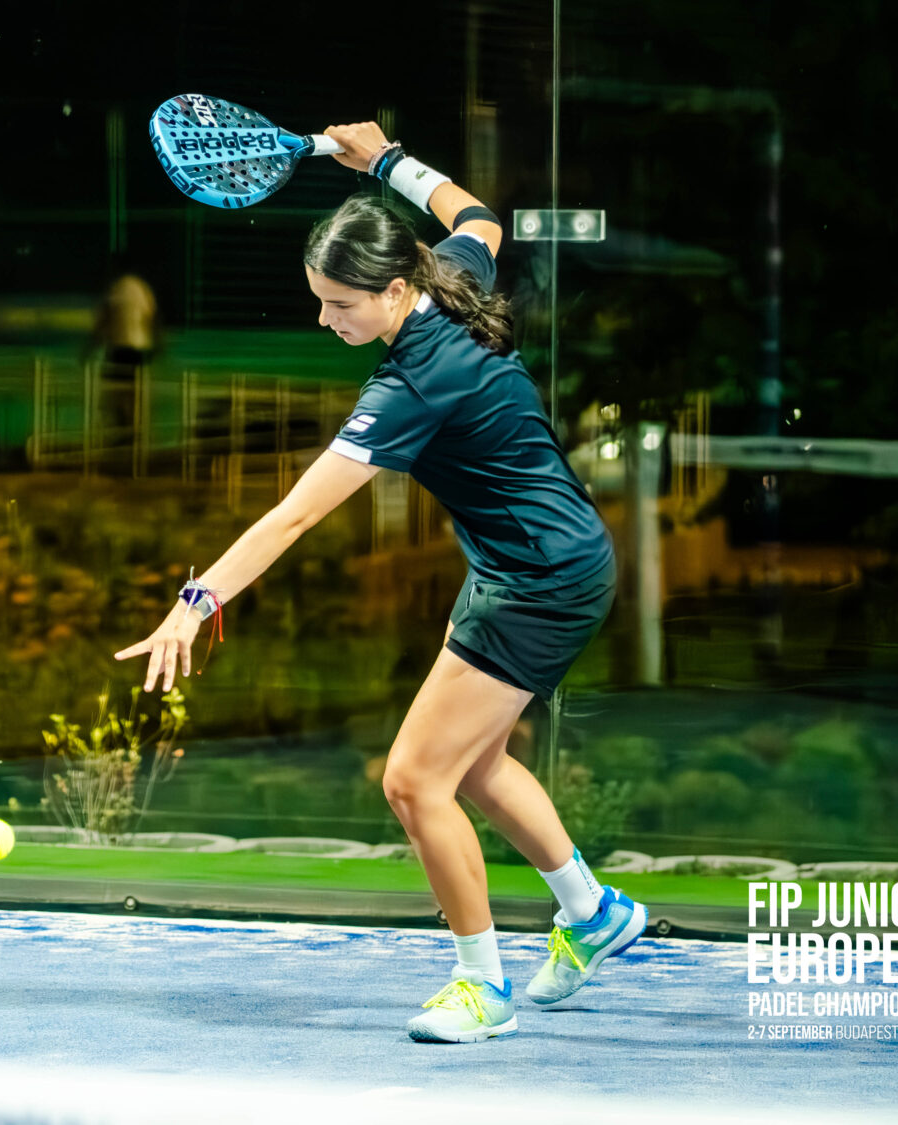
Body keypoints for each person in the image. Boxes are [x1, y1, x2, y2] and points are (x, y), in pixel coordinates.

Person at [114, 122, 644, 1044]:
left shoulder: (409, 384)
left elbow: (293, 515)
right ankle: (591, 911)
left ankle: (482, 985)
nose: (328, 321)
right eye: (320, 301)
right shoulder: (451, 276)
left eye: (340, 304)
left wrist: (193, 604)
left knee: (411, 779)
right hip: (534, 562)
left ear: (395, 289)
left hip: (540, 579)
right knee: (471, 763)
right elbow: (478, 217)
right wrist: (390, 159)